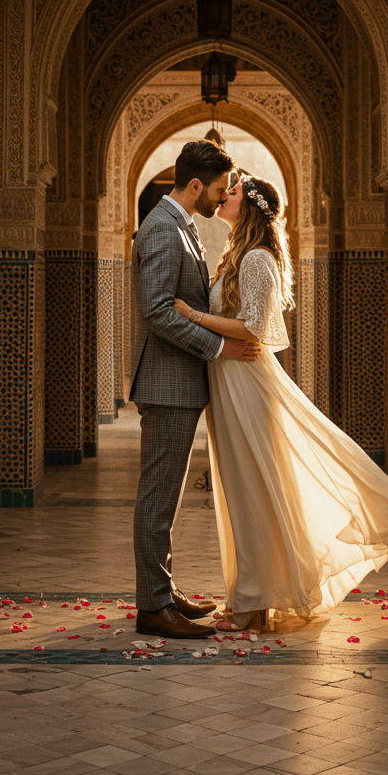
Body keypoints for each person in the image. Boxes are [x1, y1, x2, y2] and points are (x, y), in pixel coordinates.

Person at [174, 173, 388, 631]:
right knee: (241, 493)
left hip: (246, 386)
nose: (224, 195)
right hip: (228, 382)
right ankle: (250, 595)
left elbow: (253, 327)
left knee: (251, 492)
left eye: (232, 191)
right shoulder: (238, 254)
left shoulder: (257, 258)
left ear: (250, 205)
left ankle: (254, 601)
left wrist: (192, 315)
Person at [130, 139, 262, 639]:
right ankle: (152, 607)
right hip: (168, 385)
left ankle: (162, 593)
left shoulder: (181, 224)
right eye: (220, 188)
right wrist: (218, 349)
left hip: (180, 385)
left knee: (166, 500)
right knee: (158, 500)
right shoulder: (163, 228)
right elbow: (158, 309)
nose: (223, 195)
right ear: (194, 185)